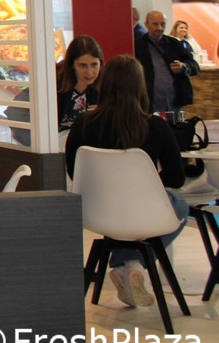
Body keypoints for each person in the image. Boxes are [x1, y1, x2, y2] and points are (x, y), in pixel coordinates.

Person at [64, 55, 187, 308]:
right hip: (144, 210)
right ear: (140, 85)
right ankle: (134, 263)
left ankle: (123, 266)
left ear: (106, 85)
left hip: (98, 211)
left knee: (125, 221)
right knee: (180, 205)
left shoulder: (83, 125)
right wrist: (149, 184)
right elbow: (177, 178)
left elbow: (76, 173)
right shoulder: (156, 126)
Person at [134, 10, 198, 116]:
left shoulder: (175, 44)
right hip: (149, 104)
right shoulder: (138, 46)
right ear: (146, 24)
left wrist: (183, 66)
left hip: (175, 103)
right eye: (155, 24)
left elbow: (194, 65)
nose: (159, 28)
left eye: (162, 24)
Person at [57, 36, 102, 132]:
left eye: (94, 64)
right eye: (83, 65)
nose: (89, 72)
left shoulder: (105, 86)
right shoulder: (55, 84)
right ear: (72, 65)